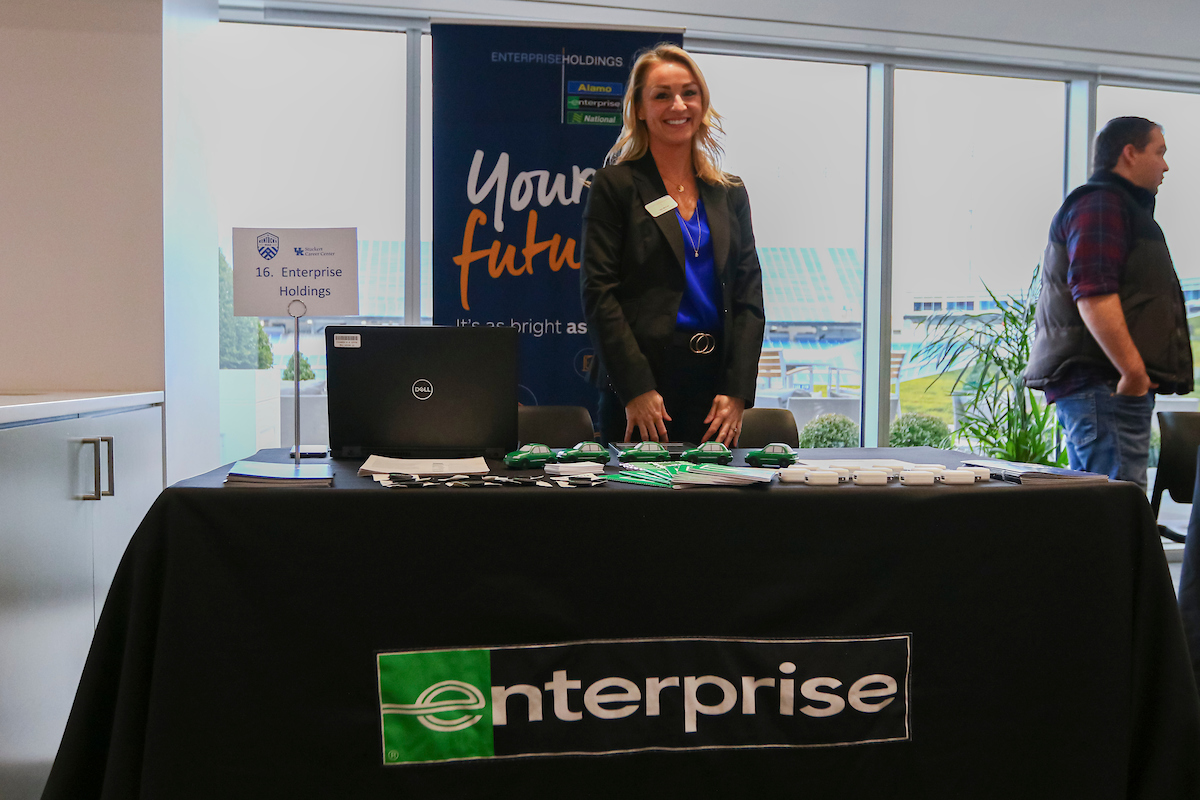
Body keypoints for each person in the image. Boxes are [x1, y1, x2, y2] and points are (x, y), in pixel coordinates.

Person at [580, 44, 765, 447]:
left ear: (702, 103)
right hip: (644, 389)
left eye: (689, 92)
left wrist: (737, 393)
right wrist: (635, 389)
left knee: (713, 509)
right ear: (640, 109)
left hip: (716, 391)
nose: (678, 105)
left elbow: (749, 297)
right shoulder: (615, 186)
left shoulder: (730, 192)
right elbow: (600, 294)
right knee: (639, 507)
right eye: (662, 95)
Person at [1026, 116, 1193, 488]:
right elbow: (1093, 293)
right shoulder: (1102, 205)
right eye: (1159, 152)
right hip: (1105, 386)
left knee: (1107, 513)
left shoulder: (1117, 207)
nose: (1165, 165)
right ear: (1129, 153)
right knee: (1113, 517)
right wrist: (1133, 374)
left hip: (1108, 387)